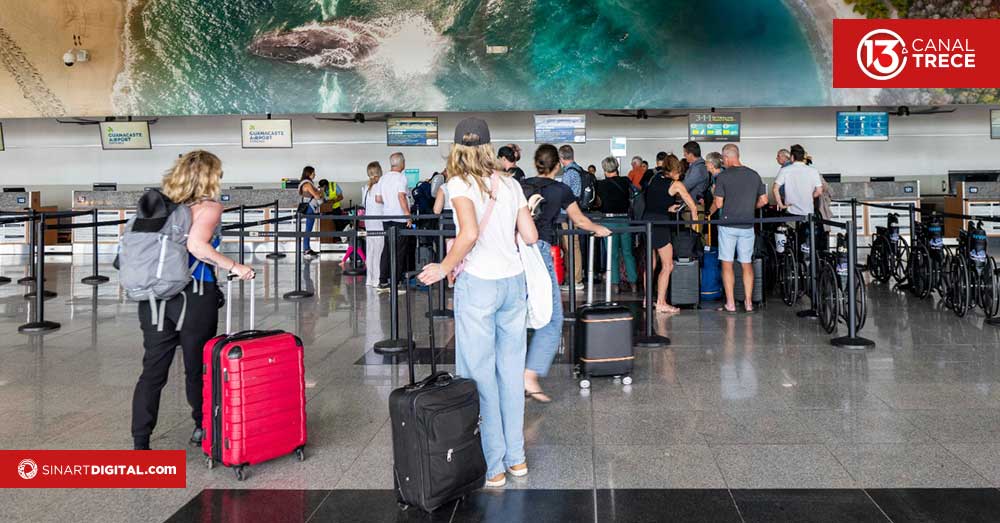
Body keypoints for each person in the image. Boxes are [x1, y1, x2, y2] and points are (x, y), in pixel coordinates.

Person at [417, 118, 538, 489]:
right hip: (513, 282)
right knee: (510, 373)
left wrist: (444, 266)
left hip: (480, 284)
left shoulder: (458, 183)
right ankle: (517, 459)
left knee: (479, 373)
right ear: (487, 147)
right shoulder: (511, 183)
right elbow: (530, 234)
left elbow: (469, 232)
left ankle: (494, 465)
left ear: (457, 148)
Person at [132, 151, 255, 451]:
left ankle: (141, 440)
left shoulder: (158, 205)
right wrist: (235, 267)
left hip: (154, 296)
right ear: (210, 177)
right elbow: (197, 246)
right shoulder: (209, 207)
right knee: (197, 366)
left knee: (153, 369)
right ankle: (202, 427)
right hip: (194, 294)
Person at [525, 145, 611, 403]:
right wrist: (599, 229)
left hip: (514, 252)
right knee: (553, 319)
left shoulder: (520, 185)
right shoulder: (561, 189)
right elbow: (580, 220)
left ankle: (508, 374)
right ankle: (529, 375)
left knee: (513, 316)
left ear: (536, 163)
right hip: (539, 251)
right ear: (557, 166)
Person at [714, 144, 768, 313]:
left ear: (727, 157)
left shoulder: (722, 176)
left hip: (728, 225)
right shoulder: (754, 175)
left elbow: (718, 204)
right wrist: (751, 207)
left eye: (723, 159)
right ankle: (749, 303)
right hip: (747, 225)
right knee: (746, 264)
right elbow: (764, 200)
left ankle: (730, 303)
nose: (723, 162)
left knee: (727, 264)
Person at [644, 154, 698, 314]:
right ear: (675, 170)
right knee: (668, 265)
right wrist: (695, 223)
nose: (680, 175)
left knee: (650, 264)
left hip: (646, 222)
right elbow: (692, 205)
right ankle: (661, 303)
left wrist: (667, 208)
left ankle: (647, 299)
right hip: (660, 225)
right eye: (679, 172)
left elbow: (653, 201)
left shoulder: (654, 178)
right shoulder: (676, 184)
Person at [595, 156, 638, 293]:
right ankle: (633, 283)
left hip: (608, 221)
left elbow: (597, 203)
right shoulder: (625, 181)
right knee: (628, 252)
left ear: (604, 169)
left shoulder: (600, 184)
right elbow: (635, 194)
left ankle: (615, 284)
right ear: (617, 167)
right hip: (625, 220)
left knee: (612, 254)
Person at [376, 152, 413, 293]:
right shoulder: (401, 177)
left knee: (387, 249)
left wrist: (389, 202)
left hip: (386, 218)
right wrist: (408, 216)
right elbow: (401, 196)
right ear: (402, 163)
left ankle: (383, 282)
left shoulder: (383, 178)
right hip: (399, 218)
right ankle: (395, 283)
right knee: (399, 251)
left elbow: (378, 199)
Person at [559, 145, 586, 287]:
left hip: (568, 214)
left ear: (561, 158)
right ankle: (574, 277)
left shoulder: (569, 173)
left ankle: (576, 279)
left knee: (572, 246)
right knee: (572, 245)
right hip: (576, 212)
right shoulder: (578, 169)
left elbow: (564, 195)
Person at [773, 144, 823, 217]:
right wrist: (809, 197)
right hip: (808, 212)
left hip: (791, 211)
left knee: (790, 224)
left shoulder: (785, 170)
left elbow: (775, 189)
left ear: (792, 157)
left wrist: (781, 205)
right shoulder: (814, 171)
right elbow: (819, 191)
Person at [362, 161, 384, 288]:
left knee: (370, 250)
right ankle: (377, 279)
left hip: (369, 223)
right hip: (379, 222)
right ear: (379, 172)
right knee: (379, 251)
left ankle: (369, 279)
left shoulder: (366, 188)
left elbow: (364, 205)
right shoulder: (380, 186)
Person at [298, 166, 324, 258]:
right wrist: (320, 192)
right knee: (308, 229)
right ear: (308, 173)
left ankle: (307, 248)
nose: (315, 174)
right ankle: (306, 249)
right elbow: (317, 196)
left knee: (308, 229)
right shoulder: (308, 184)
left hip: (309, 207)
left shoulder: (304, 183)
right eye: (313, 173)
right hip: (310, 208)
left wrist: (318, 193)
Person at [682, 141, 710, 211]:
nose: (684, 155)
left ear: (691, 154)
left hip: (693, 205)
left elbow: (685, 186)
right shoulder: (699, 166)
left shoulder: (698, 168)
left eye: (685, 153)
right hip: (694, 203)